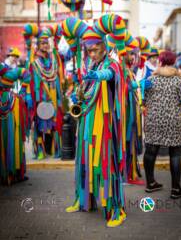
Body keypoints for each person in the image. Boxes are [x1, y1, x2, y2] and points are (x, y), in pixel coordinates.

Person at [62, 14, 127, 227]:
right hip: (86, 125)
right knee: (84, 162)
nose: (92, 53)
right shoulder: (90, 66)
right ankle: (83, 201)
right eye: (88, 50)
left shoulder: (113, 64)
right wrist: (76, 95)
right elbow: (86, 91)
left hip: (105, 127)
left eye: (95, 48)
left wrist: (100, 76)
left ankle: (116, 210)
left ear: (104, 46)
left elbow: (112, 75)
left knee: (106, 167)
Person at [143, 50, 181, 199]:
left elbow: (143, 100)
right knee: (175, 153)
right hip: (174, 121)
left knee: (150, 151)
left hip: (154, 120)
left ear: (160, 62)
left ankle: (150, 184)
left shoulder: (150, 79)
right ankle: (175, 189)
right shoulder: (178, 80)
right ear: (174, 62)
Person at [23, 24, 64, 160]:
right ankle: (40, 150)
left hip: (53, 94)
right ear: (38, 45)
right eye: (42, 43)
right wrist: (29, 94)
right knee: (40, 124)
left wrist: (59, 96)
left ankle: (54, 149)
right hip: (40, 95)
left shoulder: (53, 58)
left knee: (54, 123)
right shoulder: (33, 60)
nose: (45, 45)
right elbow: (28, 78)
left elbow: (57, 75)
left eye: (47, 42)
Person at [0, 62, 30, 185]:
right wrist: (22, 92)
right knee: (11, 138)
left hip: (10, 103)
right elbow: (25, 73)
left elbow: (24, 73)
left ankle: (9, 174)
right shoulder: (7, 72)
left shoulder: (7, 72)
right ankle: (13, 173)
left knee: (10, 137)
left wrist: (22, 91)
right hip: (10, 104)